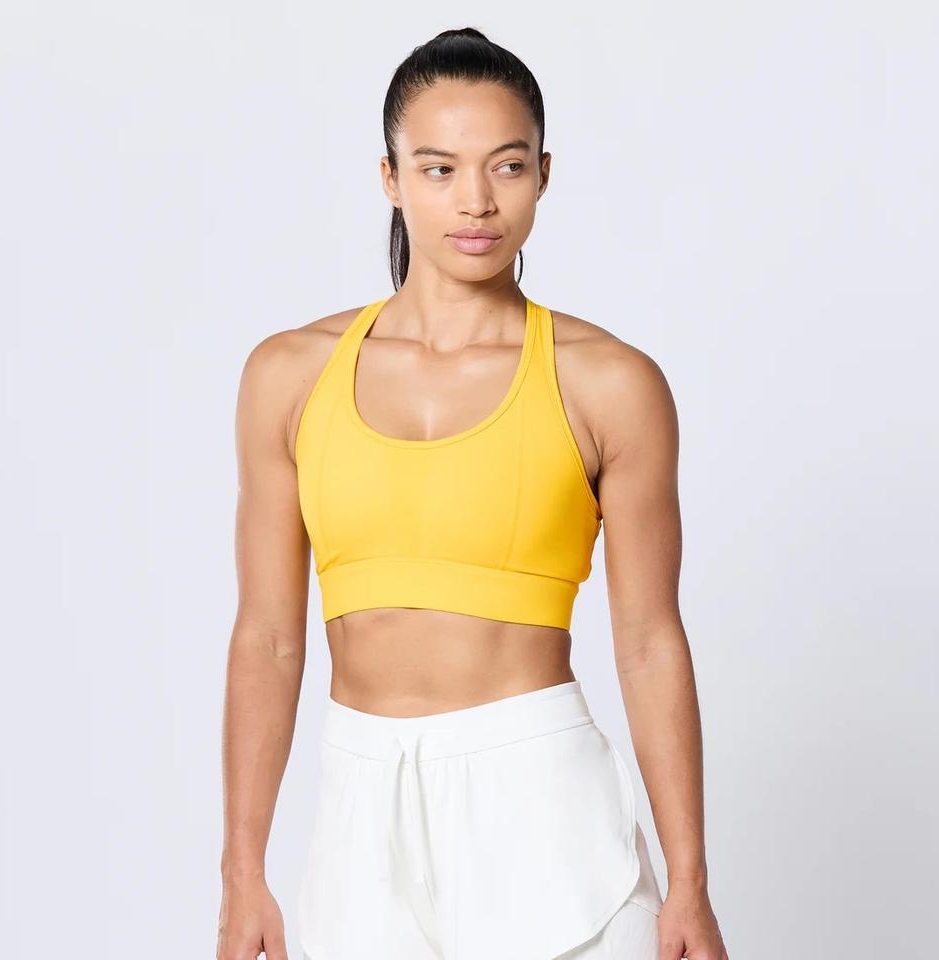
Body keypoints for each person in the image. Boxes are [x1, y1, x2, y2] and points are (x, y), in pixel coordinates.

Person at [216, 26, 728, 960]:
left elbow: (650, 642)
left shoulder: (609, 382)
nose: (477, 201)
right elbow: (269, 638)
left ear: (543, 173)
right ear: (390, 178)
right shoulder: (289, 375)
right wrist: (241, 871)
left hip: (545, 808)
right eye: (440, 169)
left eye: (508, 165)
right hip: (357, 818)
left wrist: (689, 883)